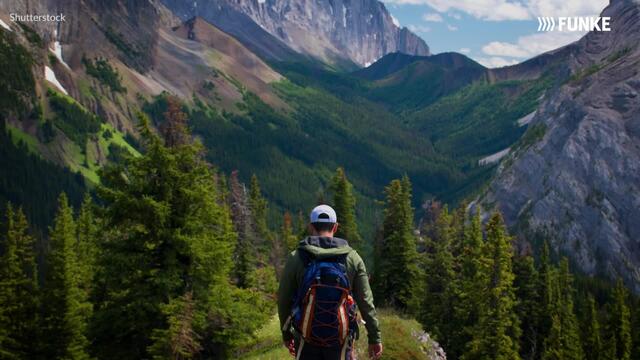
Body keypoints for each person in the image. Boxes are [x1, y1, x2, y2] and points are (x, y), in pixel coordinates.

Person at [278, 205, 383, 360]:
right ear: (335, 227)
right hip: (340, 343)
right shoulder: (353, 258)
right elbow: (366, 302)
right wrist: (375, 338)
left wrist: (286, 334)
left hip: (306, 340)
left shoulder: (297, 258)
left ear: (310, 226)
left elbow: (283, 300)